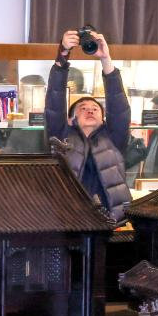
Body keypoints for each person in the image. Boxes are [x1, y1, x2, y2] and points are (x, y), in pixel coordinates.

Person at [45, 29, 131, 222]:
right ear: (70, 119)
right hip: (68, 221)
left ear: (103, 118)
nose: (90, 110)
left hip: (112, 221)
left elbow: (119, 108)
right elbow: (54, 103)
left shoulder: (113, 138)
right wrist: (62, 55)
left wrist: (106, 59)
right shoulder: (61, 137)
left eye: (95, 109)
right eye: (82, 108)